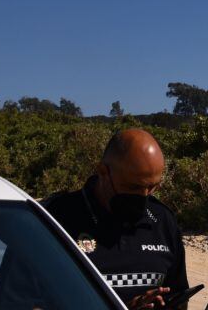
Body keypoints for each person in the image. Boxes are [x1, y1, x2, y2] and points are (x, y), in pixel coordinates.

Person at [43, 129, 189, 309]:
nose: (144, 197)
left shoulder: (163, 221)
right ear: (103, 171)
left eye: (152, 187)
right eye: (133, 186)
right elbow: (21, 301)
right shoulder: (54, 218)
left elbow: (179, 296)